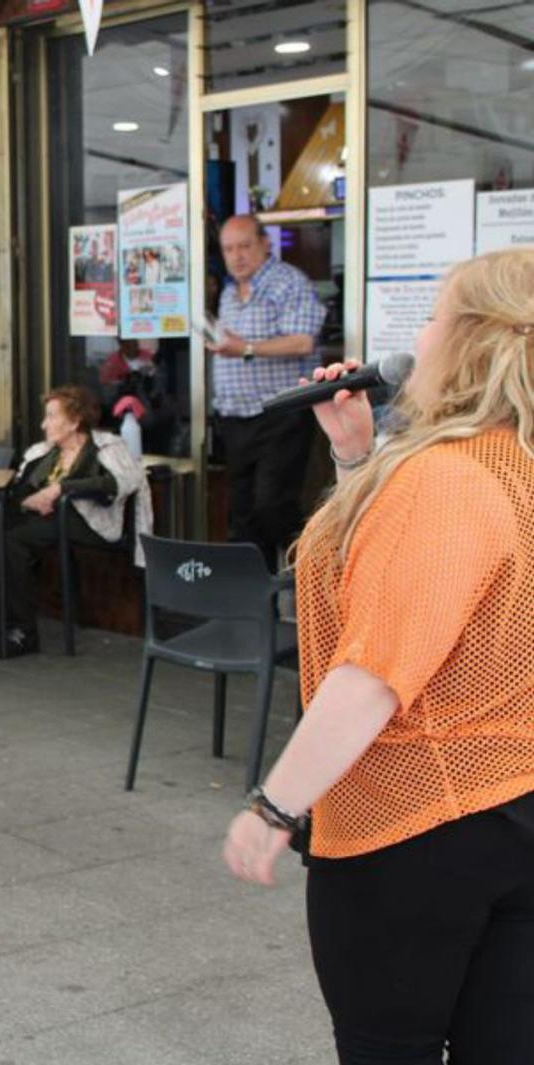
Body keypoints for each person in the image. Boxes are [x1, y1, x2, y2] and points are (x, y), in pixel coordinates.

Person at [221, 247, 534, 1065]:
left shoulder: (448, 478)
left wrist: (275, 808)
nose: (418, 335)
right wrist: (358, 458)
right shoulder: (506, 466)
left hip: (419, 824)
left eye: (433, 316)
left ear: (472, 339)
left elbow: (374, 671)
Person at [0, 386, 146, 657]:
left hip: (88, 522)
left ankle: (24, 633)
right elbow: (23, 488)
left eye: (51, 416)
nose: (43, 424)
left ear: (75, 422)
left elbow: (124, 480)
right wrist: (27, 499)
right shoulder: (44, 452)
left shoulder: (106, 446)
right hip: (46, 519)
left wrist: (61, 489)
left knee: (13, 542)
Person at [209, 214, 326, 567]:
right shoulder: (230, 291)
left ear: (265, 244)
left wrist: (246, 348)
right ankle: (259, 607)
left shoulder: (288, 283)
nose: (237, 256)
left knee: (272, 505)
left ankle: (314, 574)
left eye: (245, 246)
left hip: (279, 415)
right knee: (243, 515)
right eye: (228, 249)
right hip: (235, 415)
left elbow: (303, 341)